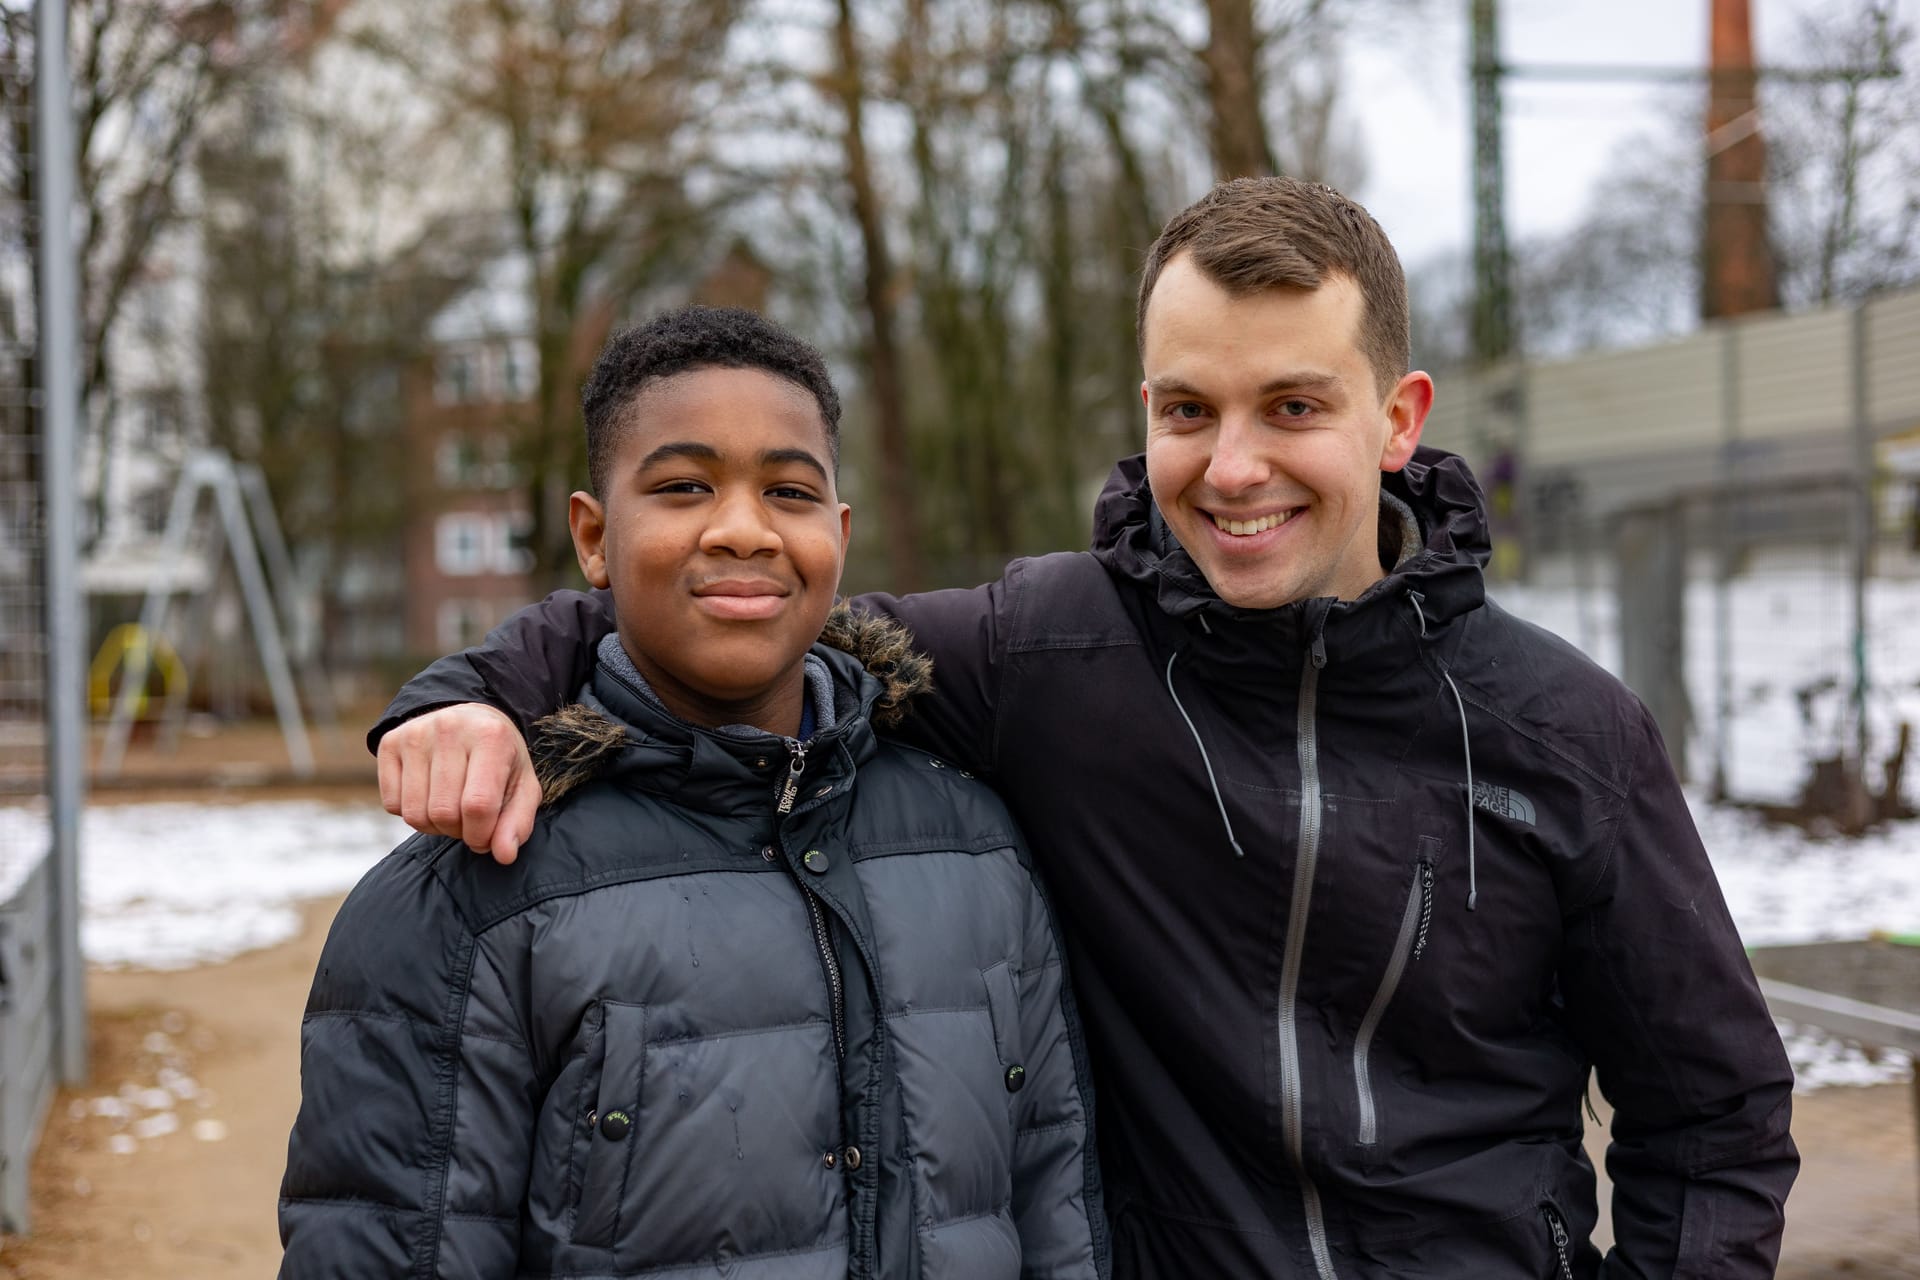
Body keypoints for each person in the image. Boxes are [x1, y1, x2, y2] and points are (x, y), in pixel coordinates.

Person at [369, 180, 1798, 1278]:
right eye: (1190, 409)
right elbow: (751, 599)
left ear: (1396, 419)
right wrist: (479, 693)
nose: (1232, 467)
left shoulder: (1563, 730)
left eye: (1292, 405)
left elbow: (1715, 1112)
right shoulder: (1049, 653)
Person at [279, 307, 1108, 1279]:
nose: (745, 528)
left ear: (839, 533)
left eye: (789, 491)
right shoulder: (469, 894)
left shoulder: (978, 846)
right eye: (683, 486)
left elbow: (1059, 1212)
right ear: (594, 535)